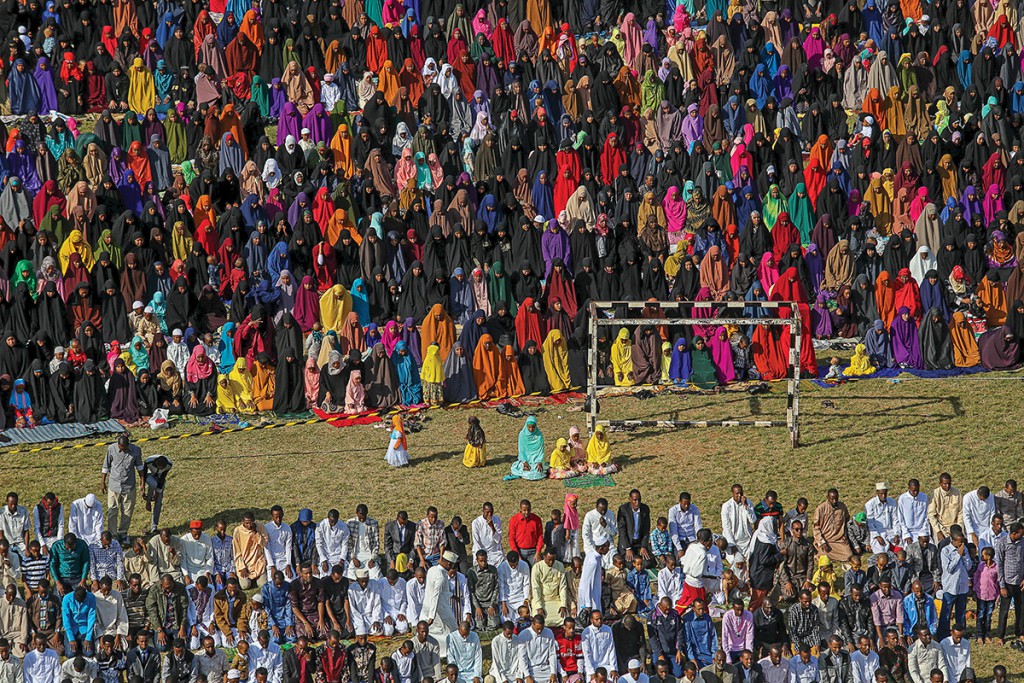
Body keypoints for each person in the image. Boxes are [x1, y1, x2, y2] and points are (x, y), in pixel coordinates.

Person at [100, 434, 145, 544]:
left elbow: (139, 467)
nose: (122, 450)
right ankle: (113, 535)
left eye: (124, 448)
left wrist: (142, 482)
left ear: (127, 445)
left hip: (129, 486)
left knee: (127, 512)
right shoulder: (111, 449)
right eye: (120, 447)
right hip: (114, 486)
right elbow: (106, 466)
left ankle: (123, 533)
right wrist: (103, 482)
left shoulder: (136, 451)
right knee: (112, 511)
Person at [508, 417, 546, 481]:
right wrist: (525, 462)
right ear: (526, 426)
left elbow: (541, 450)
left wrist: (539, 462)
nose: (531, 429)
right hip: (525, 459)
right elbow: (521, 450)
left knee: (537, 471)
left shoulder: (539, 435)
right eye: (529, 427)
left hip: (536, 460)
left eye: (533, 427)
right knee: (522, 468)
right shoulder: (522, 435)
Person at [142, 455, 173, 534]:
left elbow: (162, 478)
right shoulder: (148, 461)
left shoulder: (168, 465)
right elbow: (143, 475)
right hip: (149, 475)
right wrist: (142, 488)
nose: (162, 469)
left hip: (160, 479)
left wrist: (157, 493)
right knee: (153, 484)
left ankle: (154, 526)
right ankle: (148, 501)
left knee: (158, 502)